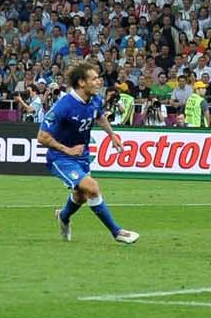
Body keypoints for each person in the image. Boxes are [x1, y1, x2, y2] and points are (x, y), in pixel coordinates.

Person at [35, 60, 140, 245]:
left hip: (81, 156)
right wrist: (66, 149)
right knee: (92, 188)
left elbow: (98, 116)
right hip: (60, 157)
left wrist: (111, 134)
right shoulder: (63, 106)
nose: (98, 82)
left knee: (81, 195)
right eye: (94, 78)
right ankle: (117, 232)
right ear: (82, 82)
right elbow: (42, 137)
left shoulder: (95, 100)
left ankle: (64, 216)